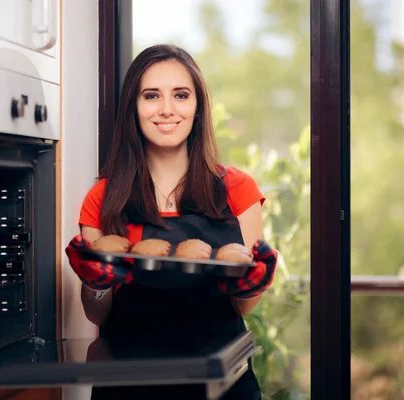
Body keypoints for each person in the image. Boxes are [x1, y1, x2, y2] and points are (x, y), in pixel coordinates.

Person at [65, 44, 279, 399]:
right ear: (134, 108)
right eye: (151, 96)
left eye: (181, 95)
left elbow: (242, 306)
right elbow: (98, 316)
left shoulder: (237, 189)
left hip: (221, 386)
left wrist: (251, 285)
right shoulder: (103, 197)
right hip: (129, 387)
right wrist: (96, 283)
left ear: (197, 107)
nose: (166, 110)